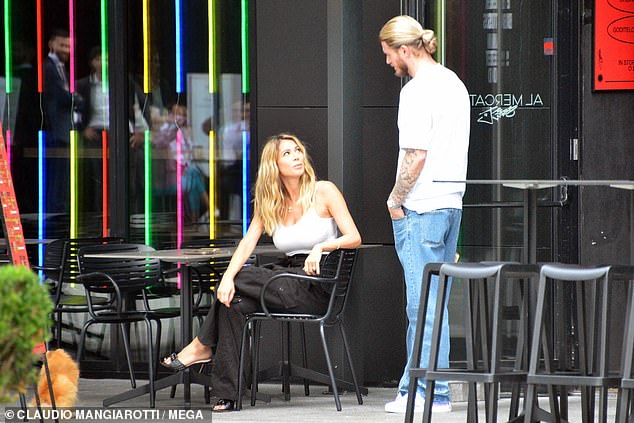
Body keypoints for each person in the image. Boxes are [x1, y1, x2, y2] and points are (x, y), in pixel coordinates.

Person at [160, 133, 362, 412]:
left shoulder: (324, 190)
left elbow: (354, 237)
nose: (297, 157)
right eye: (288, 154)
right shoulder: (269, 201)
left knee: (239, 278)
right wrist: (228, 280)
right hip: (285, 277)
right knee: (233, 303)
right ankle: (228, 394)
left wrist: (323, 246)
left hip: (316, 282)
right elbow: (247, 243)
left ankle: (200, 345)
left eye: (298, 151)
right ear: (274, 165)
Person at [379, 15, 470, 414]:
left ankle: (427, 392)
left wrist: (395, 200)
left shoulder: (416, 91)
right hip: (452, 202)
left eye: (387, 54)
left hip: (423, 205)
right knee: (436, 301)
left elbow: (415, 156)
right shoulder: (454, 82)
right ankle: (423, 388)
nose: (387, 63)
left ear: (404, 49)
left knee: (422, 303)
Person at [43, 29, 73, 214]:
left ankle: (59, 209)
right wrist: (77, 98)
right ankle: (55, 212)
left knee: (62, 175)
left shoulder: (61, 68)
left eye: (68, 46)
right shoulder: (48, 67)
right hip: (55, 130)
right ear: (51, 44)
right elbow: (59, 97)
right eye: (62, 45)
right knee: (56, 175)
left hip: (64, 130)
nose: (66, 50)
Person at [76, 47, 108, 214]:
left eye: (107, 59)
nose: (104, 63)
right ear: (92, 62)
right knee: (98, 180)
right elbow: (74, 111)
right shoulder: (82, 84)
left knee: (119, 180)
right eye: (100, 59)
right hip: (94, 135)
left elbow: (137, 106)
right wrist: (83, 129)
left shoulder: (122, 82)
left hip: (117, 134)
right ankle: (99, 219)